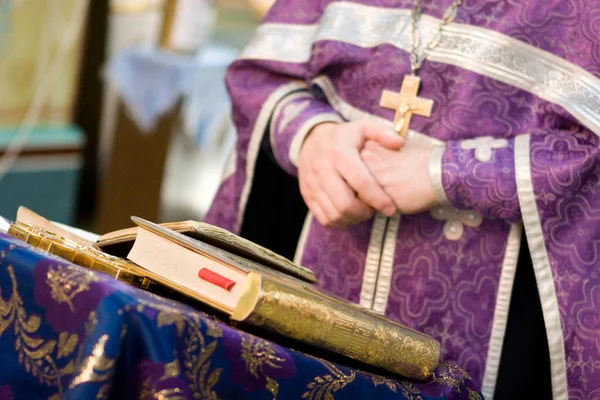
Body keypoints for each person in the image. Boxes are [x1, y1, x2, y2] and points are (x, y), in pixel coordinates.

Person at [204, 1, 600, 398]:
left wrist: (448, 172)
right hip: (319, 264)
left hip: (504, 332)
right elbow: (262, 75)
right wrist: (312, 135)